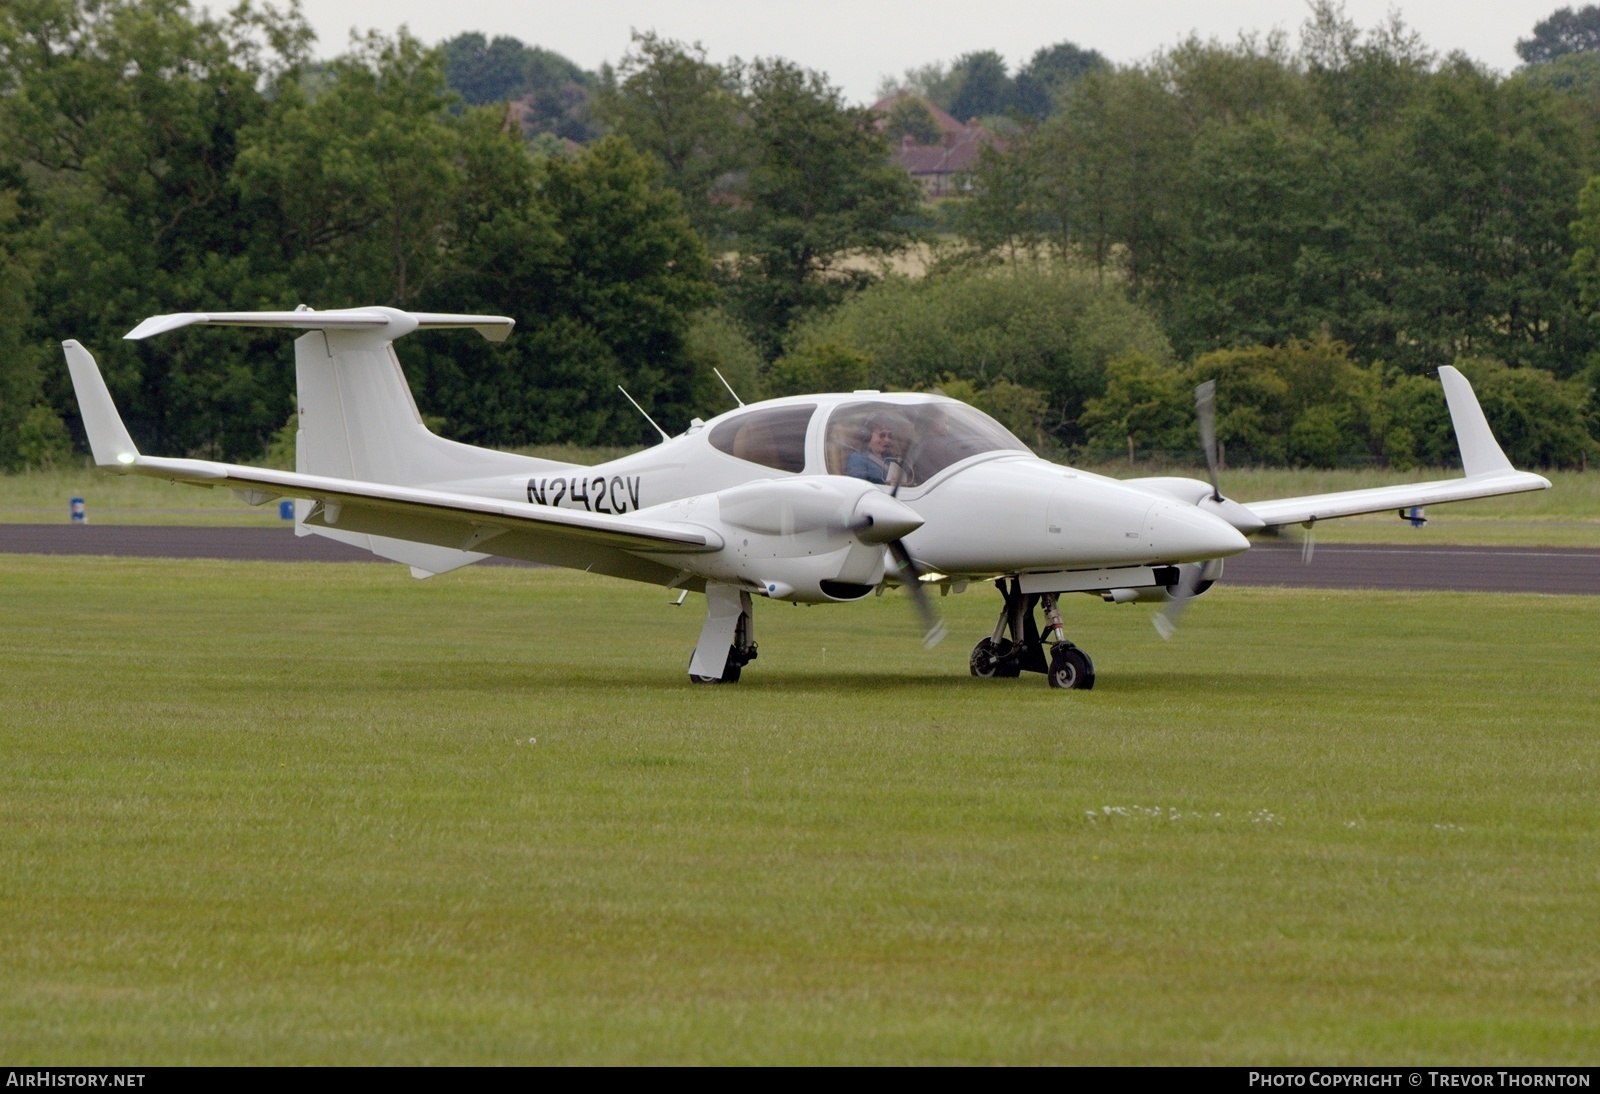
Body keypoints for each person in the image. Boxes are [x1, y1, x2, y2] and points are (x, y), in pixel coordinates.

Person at [844, 417, 902, 485]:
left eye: (890, 435)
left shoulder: (888, 456)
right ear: (868, 435)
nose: (887, 440)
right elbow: (858, 486)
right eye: (882, 435)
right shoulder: (857, 459)